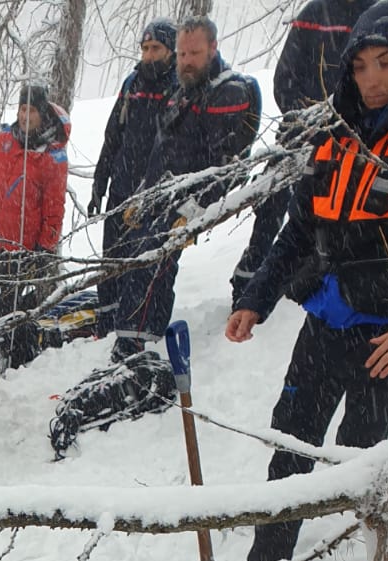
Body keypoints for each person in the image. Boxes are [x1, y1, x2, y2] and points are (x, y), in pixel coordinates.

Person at [225, 0, 388, 561]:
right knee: (290, 446)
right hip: (323, 327)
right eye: (361, 65)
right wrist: (256, 299)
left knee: (361, 464)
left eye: (386, 63)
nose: (371, 79)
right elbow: (297, 232)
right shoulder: (335, 136)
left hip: (382, 347)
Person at [112, 16, 260, 353]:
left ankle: (135, 345)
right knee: (141, 264)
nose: (185, 61)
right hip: (161, 193)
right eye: (181, 54)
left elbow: (228, 166)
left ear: (213, 48)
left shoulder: (229, 91)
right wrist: (142, 195)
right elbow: (161, 148)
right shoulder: (182, 88)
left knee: (152, 264)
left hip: (188, 200)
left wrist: (194, 208)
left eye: (193, 53)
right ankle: (138, 340)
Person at [230, 0, 367, 306]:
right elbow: (284, 79)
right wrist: (308, 117)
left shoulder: (375, 14)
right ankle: (250, 279)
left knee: (342, 210)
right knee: (273, 204)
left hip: (357, 137)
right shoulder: (314, 13)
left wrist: (348, 118)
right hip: (299, 132)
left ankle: (324, 279)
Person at [89, 20, 178, 337]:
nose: (149, 55)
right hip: (121, 189)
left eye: (156, 48)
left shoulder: (179, 87)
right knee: (111, 263)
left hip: (156, 195)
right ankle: (106, 325)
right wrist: (99, 184)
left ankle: (147, 330)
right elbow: (112, 137)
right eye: (145, 48)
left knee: (149, 266)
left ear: (171, 50)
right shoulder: (132, 84)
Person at [0, 82, 71, 254]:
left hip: (23, 252)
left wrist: (45, 249)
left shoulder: (51, 157)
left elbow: (54, 210)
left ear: (42, 113)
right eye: (23, 109)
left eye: (32, 111)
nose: (25, 116)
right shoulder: (3, 141)